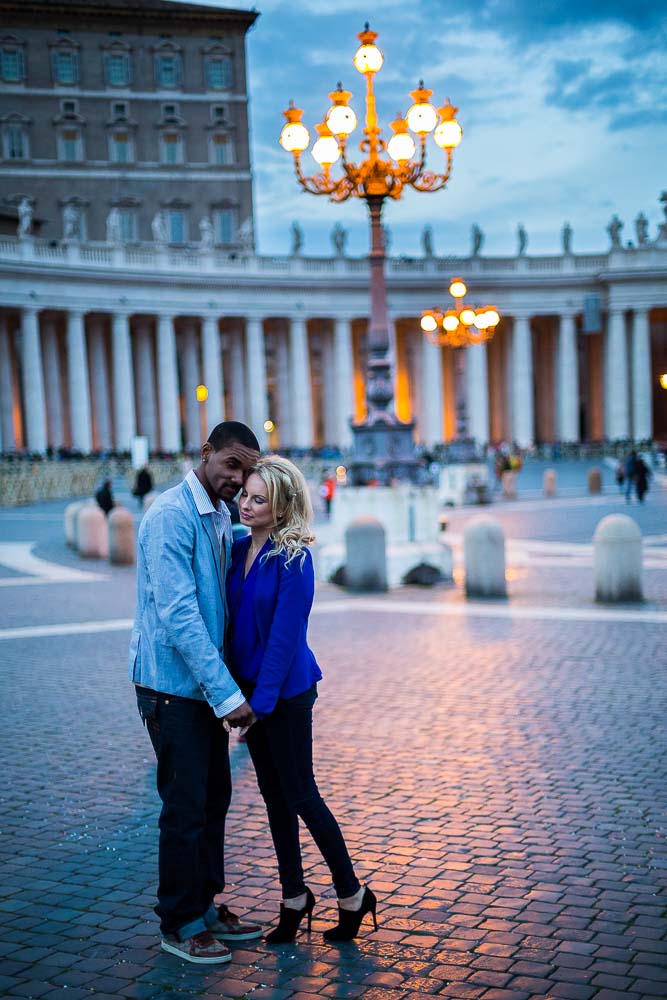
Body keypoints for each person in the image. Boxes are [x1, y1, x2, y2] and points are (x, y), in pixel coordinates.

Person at [227, 455, 376, 944]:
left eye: (258, 499)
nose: (245, 505)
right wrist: (232, 695)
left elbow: (284, 639)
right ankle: (294, 896)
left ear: (282, 504)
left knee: (302, 795)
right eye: (244, 495)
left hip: (286, 695)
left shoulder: (295, 558)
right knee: (273, 800)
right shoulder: (235, 551)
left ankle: (351, 893)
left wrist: (259, 707)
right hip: (251, 695)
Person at [129, 421, 263, 964]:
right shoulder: (170, 515)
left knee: (213, 800)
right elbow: (180, 615)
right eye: (231, 464)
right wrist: (227, 694)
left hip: (201, 687)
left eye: (247, 470)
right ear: (205, 453)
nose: (238, 477)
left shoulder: (219, 513)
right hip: (170, 686)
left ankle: (205, 906)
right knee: (184, 808)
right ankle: (179, 921)